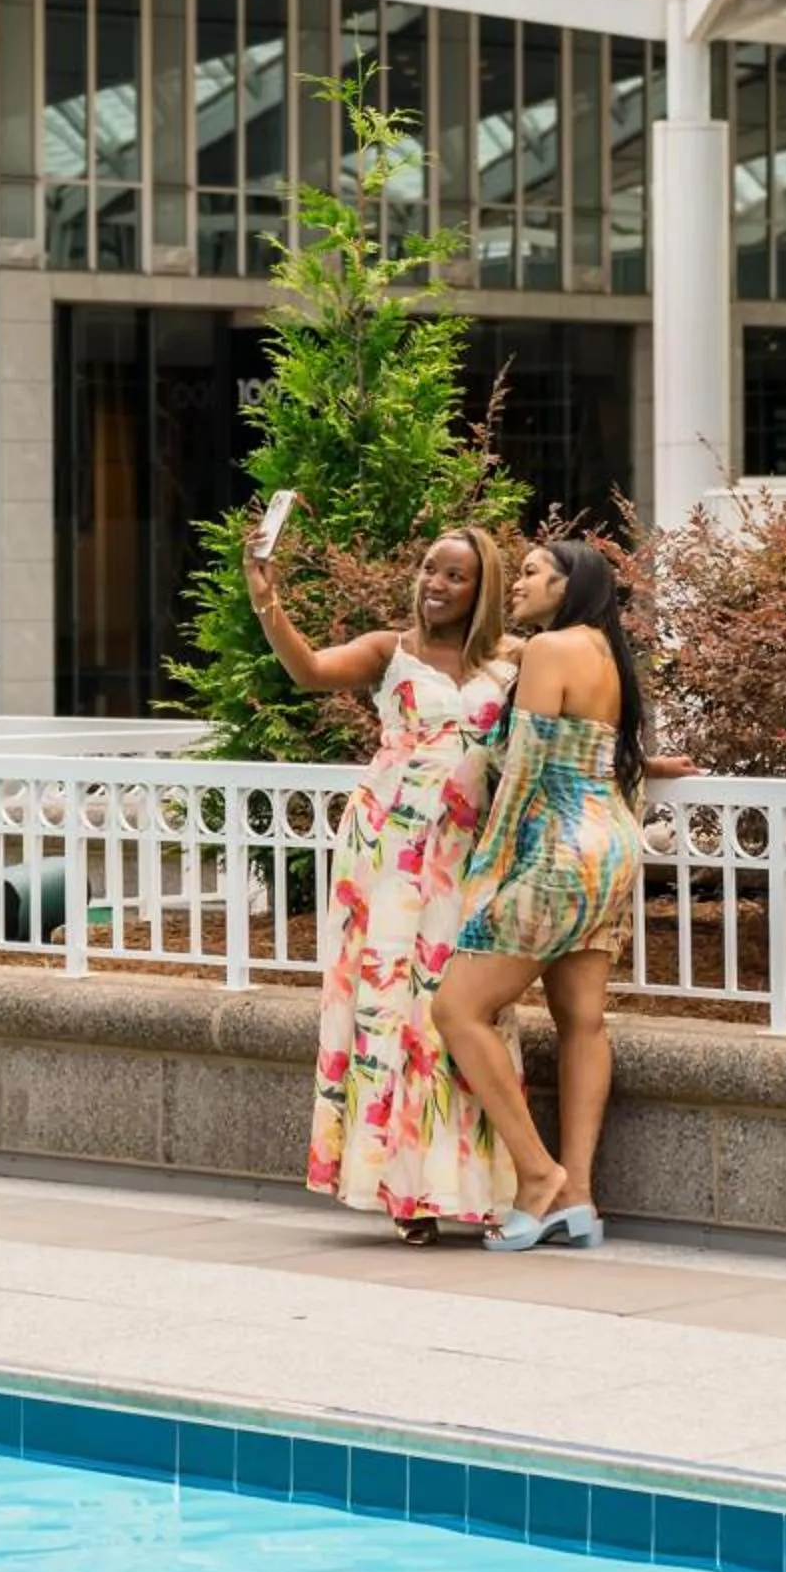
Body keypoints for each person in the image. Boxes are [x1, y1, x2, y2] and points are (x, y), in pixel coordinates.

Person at [244, 523, 520, 1241]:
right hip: (387, 851)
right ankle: (403, 1193)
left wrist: (646, 761)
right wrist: (266, 598)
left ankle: (475, 1188)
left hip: (466, 853)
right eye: (430, 568)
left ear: (481, 588)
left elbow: (573, 721)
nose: (436, 583)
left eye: (455, 575)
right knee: (389, 1007)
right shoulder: (388, 650)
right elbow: (309, 670)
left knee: (459, 1008)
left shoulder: (513, 661)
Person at [433, 538, 678, 1251]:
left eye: (534, 573)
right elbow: (606, 756)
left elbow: (525, 771)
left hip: (558, 850)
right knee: (582, 1020)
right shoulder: (607, 652)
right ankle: (578, 1196)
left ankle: (538, 1176)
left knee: (458, 1008)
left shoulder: (548, 650)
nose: (518, 582)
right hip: (612, 844)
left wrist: (487, 874)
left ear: (570, 585)